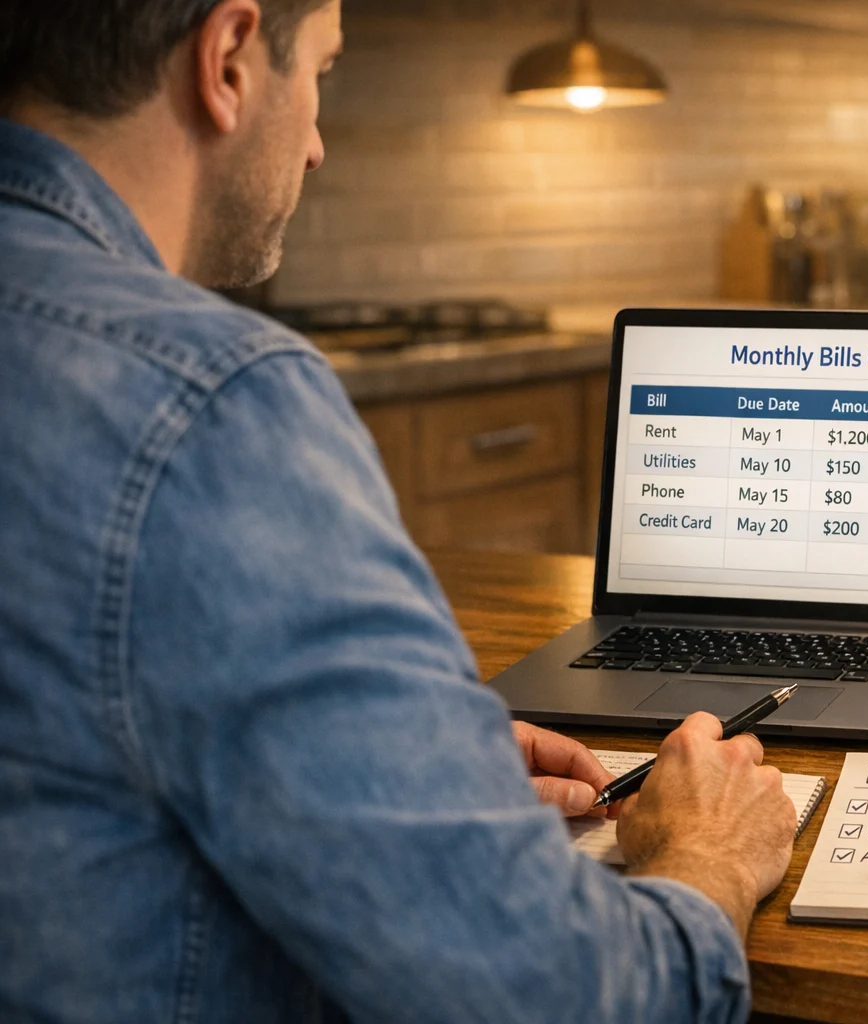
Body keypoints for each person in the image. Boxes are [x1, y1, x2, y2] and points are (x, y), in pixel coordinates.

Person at [0, 1, 796, 1020]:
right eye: (324, 72)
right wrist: (709, 856)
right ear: (230, 60)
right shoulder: (209, 397)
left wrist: (396, 757)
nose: (321, 142)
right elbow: (562, 996)